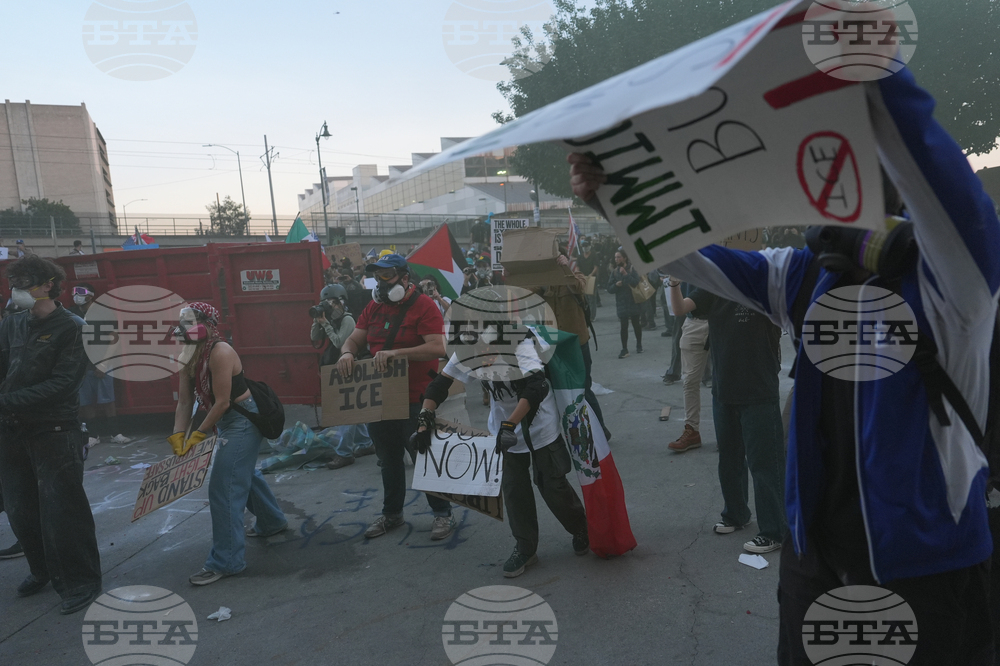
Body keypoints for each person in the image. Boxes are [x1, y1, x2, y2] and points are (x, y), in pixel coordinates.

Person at [568, 66, 999, 664]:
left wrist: (875, 68)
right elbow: (689, 256)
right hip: (814, 561)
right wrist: (611, 196)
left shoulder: (958, 286)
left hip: (928, 570)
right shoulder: (801, 274)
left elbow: (944, 177)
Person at [413, 307, 589, 577]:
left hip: (538, 423)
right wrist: (425, 416)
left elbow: (537, 386)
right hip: (504, 428)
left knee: (552, 484)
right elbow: (441, 383)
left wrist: (511, 423)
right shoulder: (468, 346)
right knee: (514, 489)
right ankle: (525, 547)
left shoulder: (521, 342)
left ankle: (580, 527)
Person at [0, 255, 101, 614]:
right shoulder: (11, 325)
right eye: (14, 283)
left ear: (47, 285)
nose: (16, 291)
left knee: (62, 511)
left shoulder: (72, 327)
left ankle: (81, 582)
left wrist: (5, 400)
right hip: (12, 430)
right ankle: (41, 570)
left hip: (54, 430)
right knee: (20, 510)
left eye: (24, 283)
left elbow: (62, 385)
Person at [336, 254, 456, 541]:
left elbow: (438, 348)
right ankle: (392, 514)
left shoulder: (425, 306)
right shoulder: (373, 307)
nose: (380, 281)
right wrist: (347, 353)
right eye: (377, 276)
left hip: (416, 397)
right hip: (381, 397)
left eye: (387, 275)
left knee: (422, 455)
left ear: (404, 278)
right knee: (387, 459)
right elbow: (354, 338)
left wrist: (396, 354)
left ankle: (443, 513)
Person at [171, 302, 287, 586]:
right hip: (224, 420)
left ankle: (227, 561)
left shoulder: (221, 351)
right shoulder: (187, 355)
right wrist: (177, 437)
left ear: (208, 324)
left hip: (242, 420)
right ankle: (272, 522)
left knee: (224, 487)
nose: (184, 327)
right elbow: (185, 401)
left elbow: (222, 401)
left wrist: (197, 435)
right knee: (240, 471)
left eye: (190, 321)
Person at [668, 283, 787, 553]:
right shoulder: (714, 283)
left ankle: (774, 530)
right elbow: (679, 308)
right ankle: (736, 513)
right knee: (730, 458)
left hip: (758, 388)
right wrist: (673, 282)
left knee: (765, 464)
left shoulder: (763, 282)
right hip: (724, 389)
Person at [534, 251, 610, 439]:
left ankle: (601, 431)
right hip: (552, 347)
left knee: (583, 388)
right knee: (553, 391)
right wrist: (513, 275)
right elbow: (523, 295)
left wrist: (565, 267)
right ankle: (564, 433)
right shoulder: (542, 284)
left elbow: (578, 287)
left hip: (577, 345)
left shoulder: (576, 277)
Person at [310, 284, 374, 469]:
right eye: (327, 303)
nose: (331, 307)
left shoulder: (347, 320)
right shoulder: (329, 319)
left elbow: (340, 342)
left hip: (351, 366)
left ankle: (344, 453)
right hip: (338, 368)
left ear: (341, 302)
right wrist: (318, 320)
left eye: (333, 303)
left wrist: (326, 325)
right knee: (353, 408)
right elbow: (315, 337)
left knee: (348, 411)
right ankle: (366, 444)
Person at [665, 279, 712, 451]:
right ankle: (692, 430)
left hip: (723, 321)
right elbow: (678, 309)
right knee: (690, 381)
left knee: (726, 381)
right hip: (695, 321)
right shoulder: (684, 261)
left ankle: (730, 432)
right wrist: (674, 283)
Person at [69, 283, 118, 439]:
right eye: (74, 292)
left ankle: (115, 433)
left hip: (103, 363)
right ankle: (93, 435)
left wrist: (104, 363)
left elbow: (114, 339)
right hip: (81, 366)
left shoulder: (103, 313)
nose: (76, 295)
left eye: (80, 292)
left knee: (108, 400)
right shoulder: (69, 314)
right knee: (85, 402)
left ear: (90, 295)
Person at [607, 250, 642, 358]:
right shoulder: (614, 272)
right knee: (623, 326)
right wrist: (616, 285)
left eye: (619, 257)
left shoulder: (632, 269)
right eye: (615, 257)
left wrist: (626, 274)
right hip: (621, 302)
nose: (617, 259)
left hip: (633, 301)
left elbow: (636, 282)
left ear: (625, 258)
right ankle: (624, 348)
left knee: (636, 324)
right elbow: (609, 288)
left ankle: (639, 344)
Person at [577, 239, 600, 318]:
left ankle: (592, 316)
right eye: (583, 246)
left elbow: (596, 267)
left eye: (586, 246)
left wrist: (591, 274)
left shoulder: (594, 255)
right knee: (585, 298)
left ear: (590, 246)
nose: (585, 248)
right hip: (583, 278)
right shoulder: (580, 257)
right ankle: (586, 314)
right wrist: (578, 275)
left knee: (592, 298)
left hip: (592, 279)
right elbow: (577, 267)